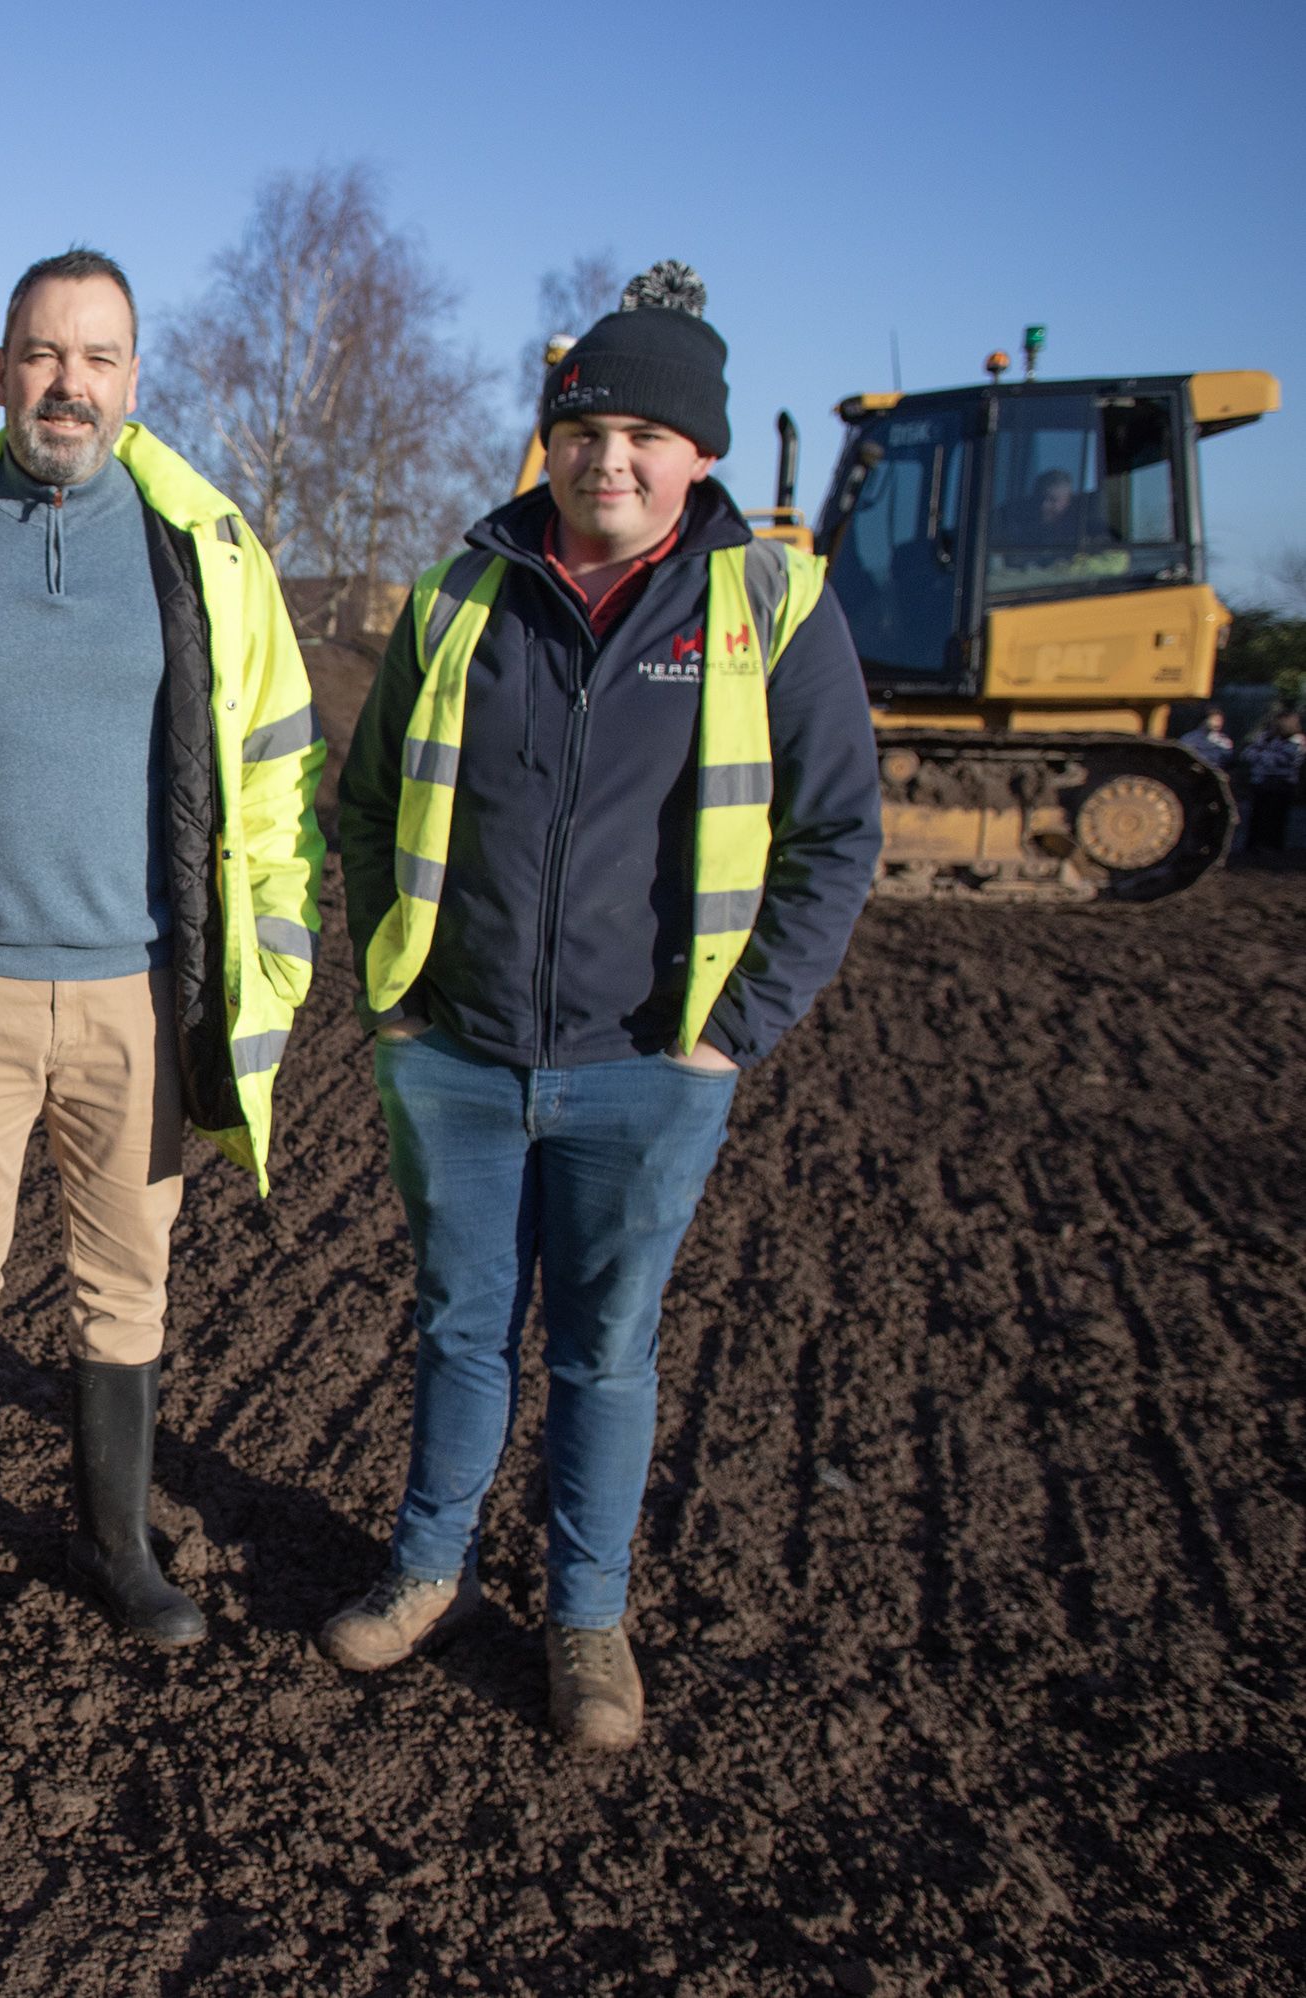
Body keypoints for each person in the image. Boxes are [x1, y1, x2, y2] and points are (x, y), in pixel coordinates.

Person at [326, 262, 882, 1751]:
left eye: (644, 432)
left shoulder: (771, 604)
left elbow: (837, 836)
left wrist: (730, 1030)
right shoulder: (463, 587)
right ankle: (427, 1570)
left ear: (696, 455)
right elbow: (366, 799)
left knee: (605, 1347)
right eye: (582, 428)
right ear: (549, 441)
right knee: (458, 1327)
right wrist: (396, 992)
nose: (608, 457)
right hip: (453, 1054)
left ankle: (587, 1619)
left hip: (650, 1066)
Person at [0, 248, 324, 1652]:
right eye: (42, 353)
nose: (69, 382)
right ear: (2, 365)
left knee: (128, 1278)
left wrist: (277, 963)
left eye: (98, 357)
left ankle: (121, 1545)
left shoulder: (206, 547)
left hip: (136, 991)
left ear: (135, 378)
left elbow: (273, 777)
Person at [1242, 712, 1302, 852]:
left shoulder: (1297, 741)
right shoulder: (1266, 738)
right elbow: (1247, 754)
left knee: (1276, 817)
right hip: (1261, 782)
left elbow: (1285, 760)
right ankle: (1253, 846)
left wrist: (1262, 755)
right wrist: (1264, 754)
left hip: (1282, 783)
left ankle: (1273, 846)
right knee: (1257, 816)